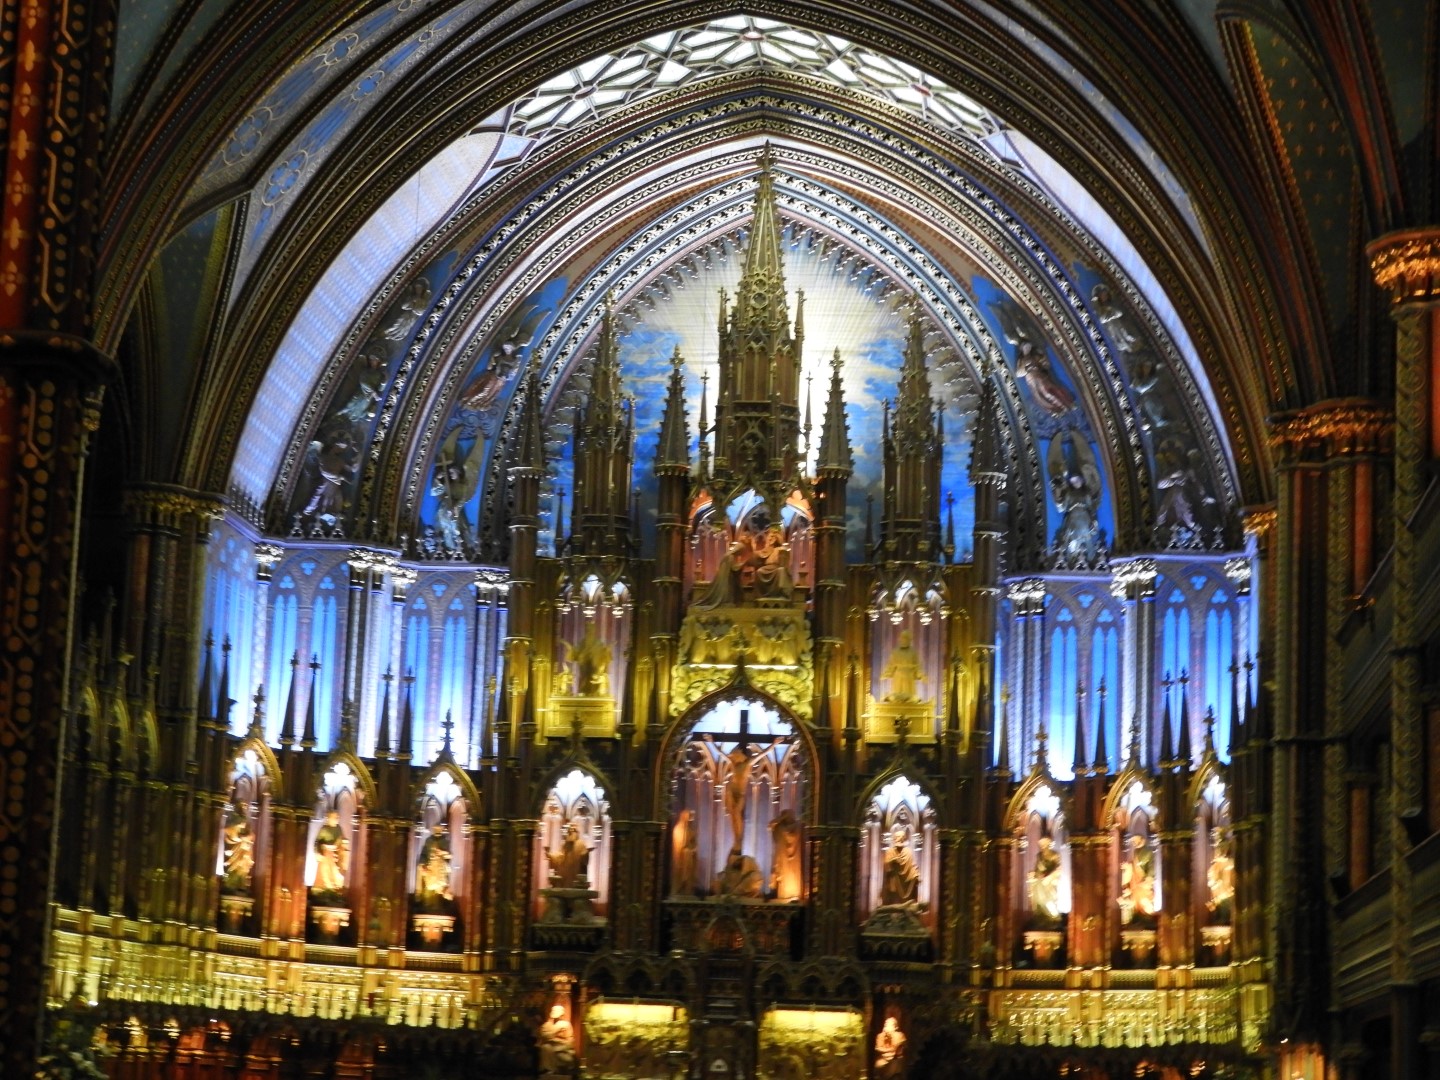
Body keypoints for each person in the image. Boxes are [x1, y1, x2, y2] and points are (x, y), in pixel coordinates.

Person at [1119, 833, 1156, 924]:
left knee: (1144, 901)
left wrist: (1148, 879)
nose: (1134, 842)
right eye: (1133, 840)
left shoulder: (1148, 851)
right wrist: (1127, 867)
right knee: (1135, 899)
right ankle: (1136, 915)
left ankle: (1145, 917)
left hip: (1143, 883)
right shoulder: (1135, 852)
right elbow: (1133, 865)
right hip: (1135, 883)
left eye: (1136, 840)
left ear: (1142, 839)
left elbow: (1152, 866)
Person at [880, 825, 920, 907]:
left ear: (904, 839)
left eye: (901, 837)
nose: (899, 839)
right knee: (894, 900)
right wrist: (893, 861)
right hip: (894, 881)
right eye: (897, 837)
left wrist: (916, 874)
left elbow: (912, 865)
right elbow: (886, 866)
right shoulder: (890, 851)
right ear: (894, 839)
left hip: (906, 883)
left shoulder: (908, 852)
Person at [752, 523, 793, 600]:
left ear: (776, 539)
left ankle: (782, 593)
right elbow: (760, 555)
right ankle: (762, 594)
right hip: (767, 568)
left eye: (772, 537)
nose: (770, 539)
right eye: (769, 537)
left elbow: (784, 563)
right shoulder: (768, 549)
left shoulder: (780, 549)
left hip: (776, 568)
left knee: (781, 571)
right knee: (759, 571)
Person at [768, 808, 802, 901]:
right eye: (785, 816)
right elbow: (770, 825)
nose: (787, 819)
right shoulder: (780, 827)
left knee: (790, 877)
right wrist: (781, 818)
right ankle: (774, 891)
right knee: (776, 871)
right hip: (781, 856)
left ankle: (790, 895)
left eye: (789, 816)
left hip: (794, 860)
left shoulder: (798, 827)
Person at [1027, 835, 1062, 924]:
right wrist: (1033, 874)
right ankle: (1041, 915)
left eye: (1044, 845)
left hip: (1049, 881)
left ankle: (1053, 916)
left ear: (1048, 844)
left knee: (1049, 899)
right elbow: (1037, 869)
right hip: (1039, 881)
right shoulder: (1039, 856)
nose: (1042, 847)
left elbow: (1059, 868)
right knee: (1039, 898)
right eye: (1041, 845)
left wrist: (1048, 876)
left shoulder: (1054, 855)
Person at [882, 630, 925, 703]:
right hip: (898, 675)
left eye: (907, 638)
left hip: (909, 675)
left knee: (909, 696)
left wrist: (920, 675)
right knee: (897, 694)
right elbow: (891, 665)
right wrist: (886, 674)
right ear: (900, 639)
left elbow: (917, 665)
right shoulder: (895, 651)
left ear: (910, 640)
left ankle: (910, 707)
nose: (904, 640)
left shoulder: (913, 652)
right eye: (903, 638)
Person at [312, 810, 348, 894]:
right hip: (326, 854)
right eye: (335, 817)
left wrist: (342, 843)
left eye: (337, 817)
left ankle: (335, 887)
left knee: (336, 872)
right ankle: (324, 888)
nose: (337, 819)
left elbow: (341, 839)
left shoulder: (338, 828)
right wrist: (318, 852)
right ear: (329, 818)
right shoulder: (324, 829)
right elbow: (317, 841)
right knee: (325, 871)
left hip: (335, 854)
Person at [415, 823, 453, 903]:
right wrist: (422, 864)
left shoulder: (445, 841)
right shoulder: (429, 840)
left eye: (439, 829)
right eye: (436, 829)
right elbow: (424, 853)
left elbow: (449, 855)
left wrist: (443, 853)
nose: (437, 831)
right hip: (432, 865)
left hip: (439, 866)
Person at [547, 821, 591, 888]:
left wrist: (586, 853)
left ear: (576, 833)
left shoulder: (581, 844)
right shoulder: (565, 845)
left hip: (576, 871)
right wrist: (551, 856)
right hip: (565, 874)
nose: (571, 833)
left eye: (573, 831)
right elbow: (559, 855)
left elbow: (584, 859)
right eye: (569, 832)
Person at [537, 1003, 577, 1075]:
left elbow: (570, 1039)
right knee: (545, 1047)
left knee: (567, 1059)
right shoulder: (547, 1025)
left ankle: (563, 1070)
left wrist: (562, 1043)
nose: (558, 1018)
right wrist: (555, 1032)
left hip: (563, 1049)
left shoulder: (566, 1024)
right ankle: (550, 1069)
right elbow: (544, 1036)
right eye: (556, 1017)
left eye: (560, 1016)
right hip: (552, 1048)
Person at [1206, 828, 1235, 919]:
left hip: (1226, 890)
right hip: (1218, 891)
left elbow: (1231, 877)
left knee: (1225, 903)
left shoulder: (1229, 862)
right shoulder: (1214, 866)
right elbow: (1211, 878)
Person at [222, 815, 254, 893]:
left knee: (242, 871)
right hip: (235, 856)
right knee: (233, 870)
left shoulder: (247, 832)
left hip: (244, 857)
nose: (243, 824)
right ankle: (231, 884)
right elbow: (229, 837)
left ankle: (241, 885)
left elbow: (250, 837)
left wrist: (244, 839)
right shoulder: (232, 829)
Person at [671, 808, 698, 897]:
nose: (690, 820)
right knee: (682, 875)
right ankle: (680, 890)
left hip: (690, 859)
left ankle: (689, 891)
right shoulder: (678, 829)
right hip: (682, 861)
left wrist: (694, 849)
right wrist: (689, 851)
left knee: (690, 878)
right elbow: (680, 847)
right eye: (689, 817)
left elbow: (693, 842)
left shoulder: (689, 829)